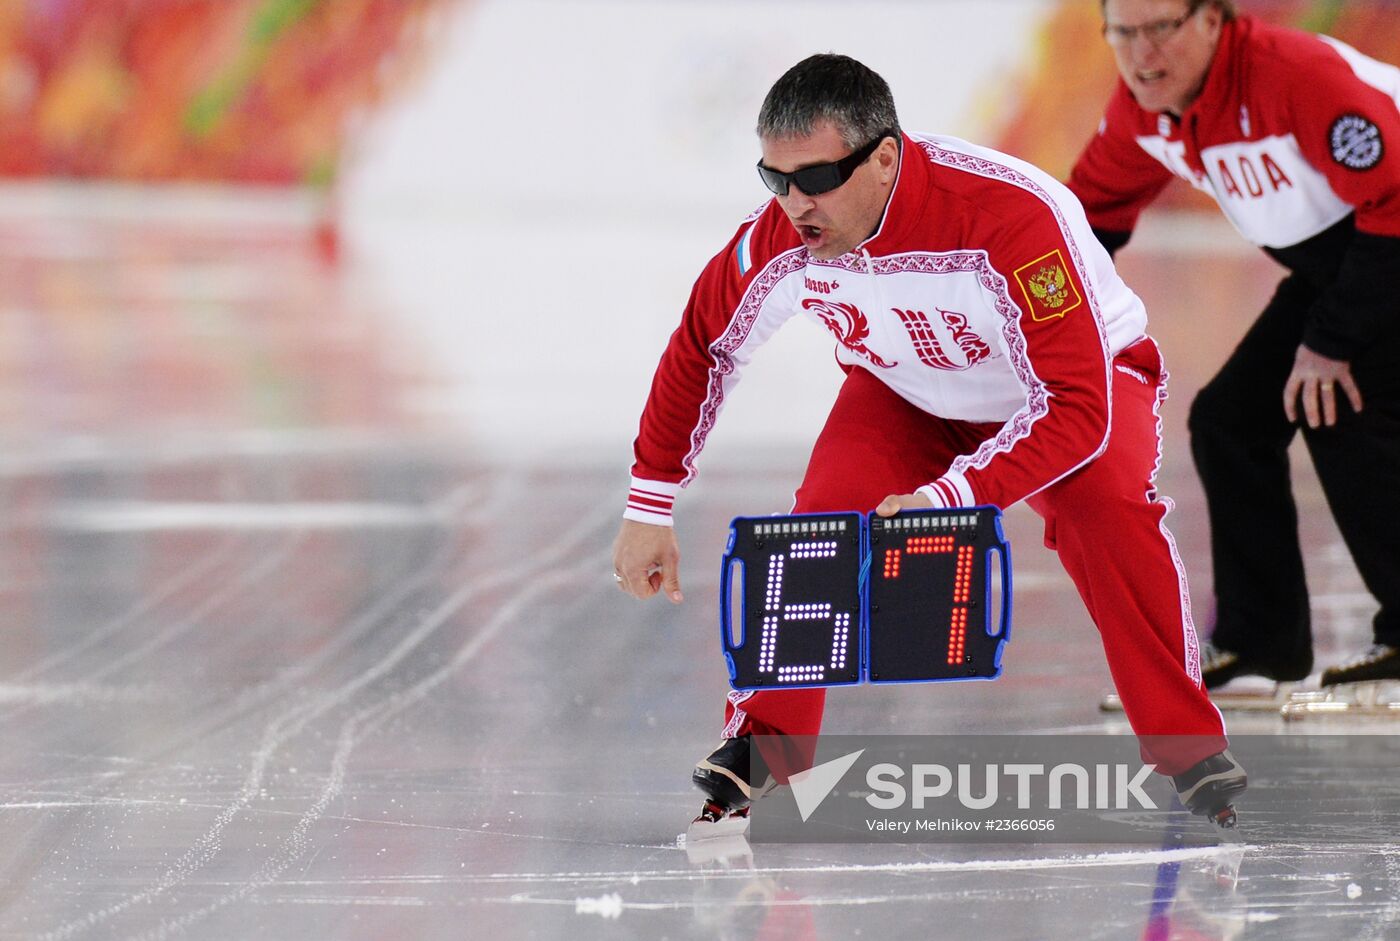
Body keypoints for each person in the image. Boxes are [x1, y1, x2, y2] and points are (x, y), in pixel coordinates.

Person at [612, 53, 1245, 829]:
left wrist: (955, 496)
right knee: (822, 516)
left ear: (885, 157)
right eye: (774, 178)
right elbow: (703, 344)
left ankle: (1185, 744)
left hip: (1069, 385)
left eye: (814, 178)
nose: (794, 204)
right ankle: (764, 740)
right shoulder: (781, 235)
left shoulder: (1010, 215)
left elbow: (1077, 407)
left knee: (1102, 508)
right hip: (908, 391)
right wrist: (650, 501)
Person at [1067, 0, 1400, 691]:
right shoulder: (1142, 111)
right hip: (1346, 262)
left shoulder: (1293, 76)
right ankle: (1261, 642)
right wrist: (1049, 334)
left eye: (1161, 27)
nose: (1141, 52)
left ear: (1213, 21)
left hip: (1388, 240)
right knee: (1230, 423)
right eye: (1122, 32)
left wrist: (1331, 342)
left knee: (1336, 405)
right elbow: (1084, 224)